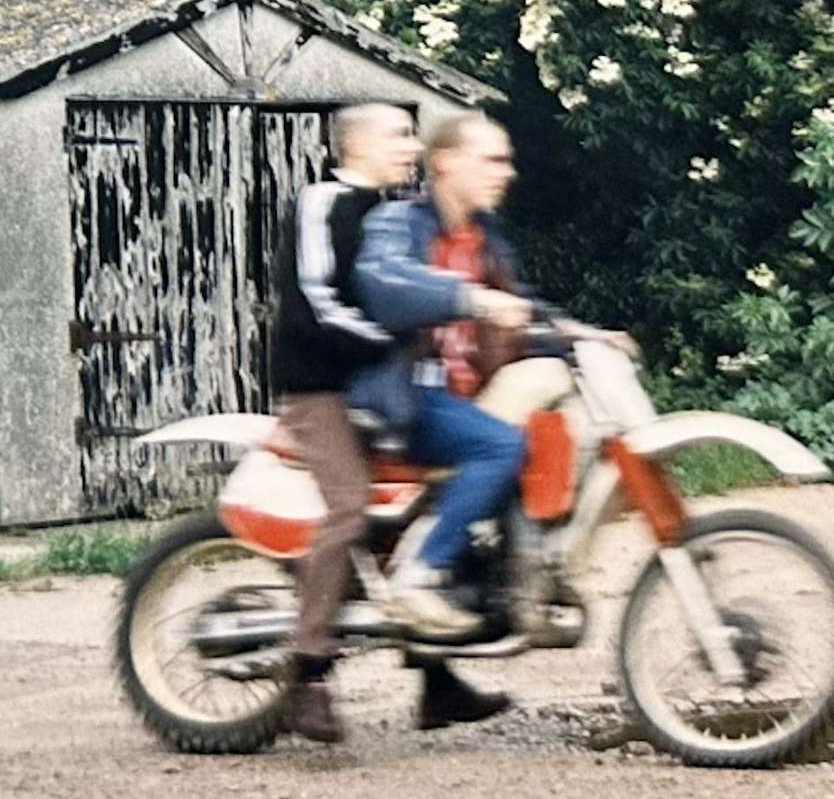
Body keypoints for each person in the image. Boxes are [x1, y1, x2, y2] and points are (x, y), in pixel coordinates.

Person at [268, 103, 511, 744]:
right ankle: (308, 670)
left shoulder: (399, 213)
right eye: (398, 135)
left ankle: (434, 681)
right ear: (354, 144)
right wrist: (390, 344)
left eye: (413, 136)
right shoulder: (325, 202)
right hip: (320, 386)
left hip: (385, 387)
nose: (411, 146)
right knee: (348, 508)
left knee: (429, 506)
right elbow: (315, 298)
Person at [353, 112, 630, 633]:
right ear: (446, 163)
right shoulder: (399, 223)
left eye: (506, 161)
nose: (506, 173)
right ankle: (419, 575)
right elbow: (384, 284)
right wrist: (469, 297)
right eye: (492, 160)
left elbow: (523, 309)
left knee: (562, 431)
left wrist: (586, 335)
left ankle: (529, 582)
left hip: (459, 393)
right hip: (404, 394)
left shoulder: (484, 237)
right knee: (499, 445)